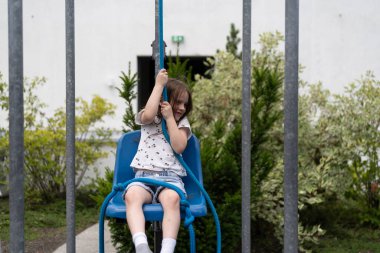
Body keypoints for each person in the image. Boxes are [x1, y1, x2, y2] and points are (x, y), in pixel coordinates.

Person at [123, 69, 193, 253]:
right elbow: (147, 114)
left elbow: (179, 146)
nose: (182, 108)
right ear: (165, 99)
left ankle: (167, 250)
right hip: (143, 176)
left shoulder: (182, 124)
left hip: (170, 178)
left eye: (185, 104)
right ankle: (141, 246)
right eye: (178, 102)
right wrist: (159, 85)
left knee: (172, 199)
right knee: (132, 196)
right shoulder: (151, 117)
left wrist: (170, 118)